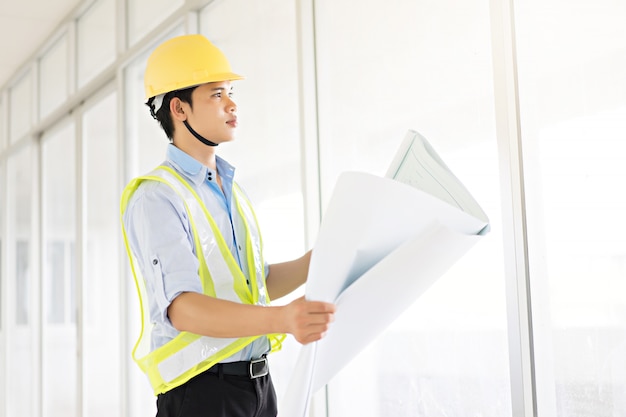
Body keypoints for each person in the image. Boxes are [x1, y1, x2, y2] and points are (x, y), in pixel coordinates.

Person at [120, 34, 336, 417]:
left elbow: (252, 285)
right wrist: (283, 319)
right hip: (202, 394)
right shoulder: (158, 197)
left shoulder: (230, 189)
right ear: (179, 108)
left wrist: (318, 261)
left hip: (257, 386)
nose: (232, 104)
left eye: (231, 92)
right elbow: (182, 308)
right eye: (217, 94)